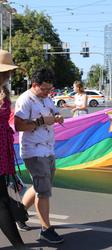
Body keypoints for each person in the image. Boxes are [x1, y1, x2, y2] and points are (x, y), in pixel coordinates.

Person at [14, 68, 65, 243]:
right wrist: (41, 121)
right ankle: (46, 229)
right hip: (33, 151)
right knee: (43, 192)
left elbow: (52, 112)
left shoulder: (47, 99)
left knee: (40, 187)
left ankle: (19, 214)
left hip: (48, 149)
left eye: (49, 89)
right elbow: (18, 125)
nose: (46, 92)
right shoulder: (25, 100)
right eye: (43, 89)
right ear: (34, 85)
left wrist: (57, 116)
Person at [0, 50, 27, 249]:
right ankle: (18, 245)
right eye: (7, 72)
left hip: (3, 150)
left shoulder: (4, 92)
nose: (10, 75)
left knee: (2, 197)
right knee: (1, 200)